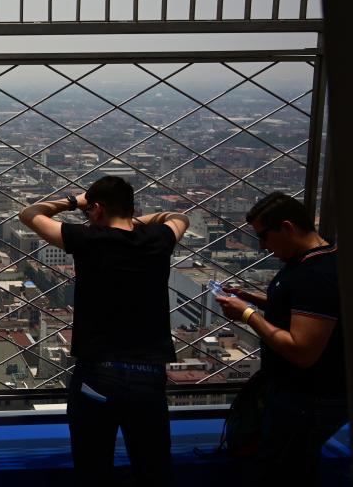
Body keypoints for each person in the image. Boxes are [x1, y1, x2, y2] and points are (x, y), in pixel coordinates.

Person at [20, 176, 189, 486]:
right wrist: (135, 221)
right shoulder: (159, 240)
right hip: (148, 374)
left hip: (99, 372)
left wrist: (74, 201)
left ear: (96, 209)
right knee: (152, 468)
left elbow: (29, 214)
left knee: (93, 467)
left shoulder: (88, 239)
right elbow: (179, 217)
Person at [216, 192, 345, 485]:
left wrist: (248, 314)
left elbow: (303, 351)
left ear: (287, 227)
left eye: (264, 236)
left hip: (306, 402)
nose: (261, 246)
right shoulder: (318, 260)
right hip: (303, 398)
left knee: (284, 471)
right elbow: (299, 310)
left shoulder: (315, 275)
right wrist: (254, 299)